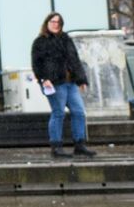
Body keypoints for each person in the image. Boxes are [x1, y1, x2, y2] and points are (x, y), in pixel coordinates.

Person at [31, 12, 94, 158]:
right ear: (47, 23)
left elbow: (75, 60)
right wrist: (44, 79)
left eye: (58, 22)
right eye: (53, 22)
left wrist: (81, 79)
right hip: (54, 83)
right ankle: (56, 147)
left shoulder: (66, 39)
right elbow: (36, 63)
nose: (55, 25)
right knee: (58, 113)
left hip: (70, 82)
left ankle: (79, 144)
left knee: (79, 112)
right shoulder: (40, 42)